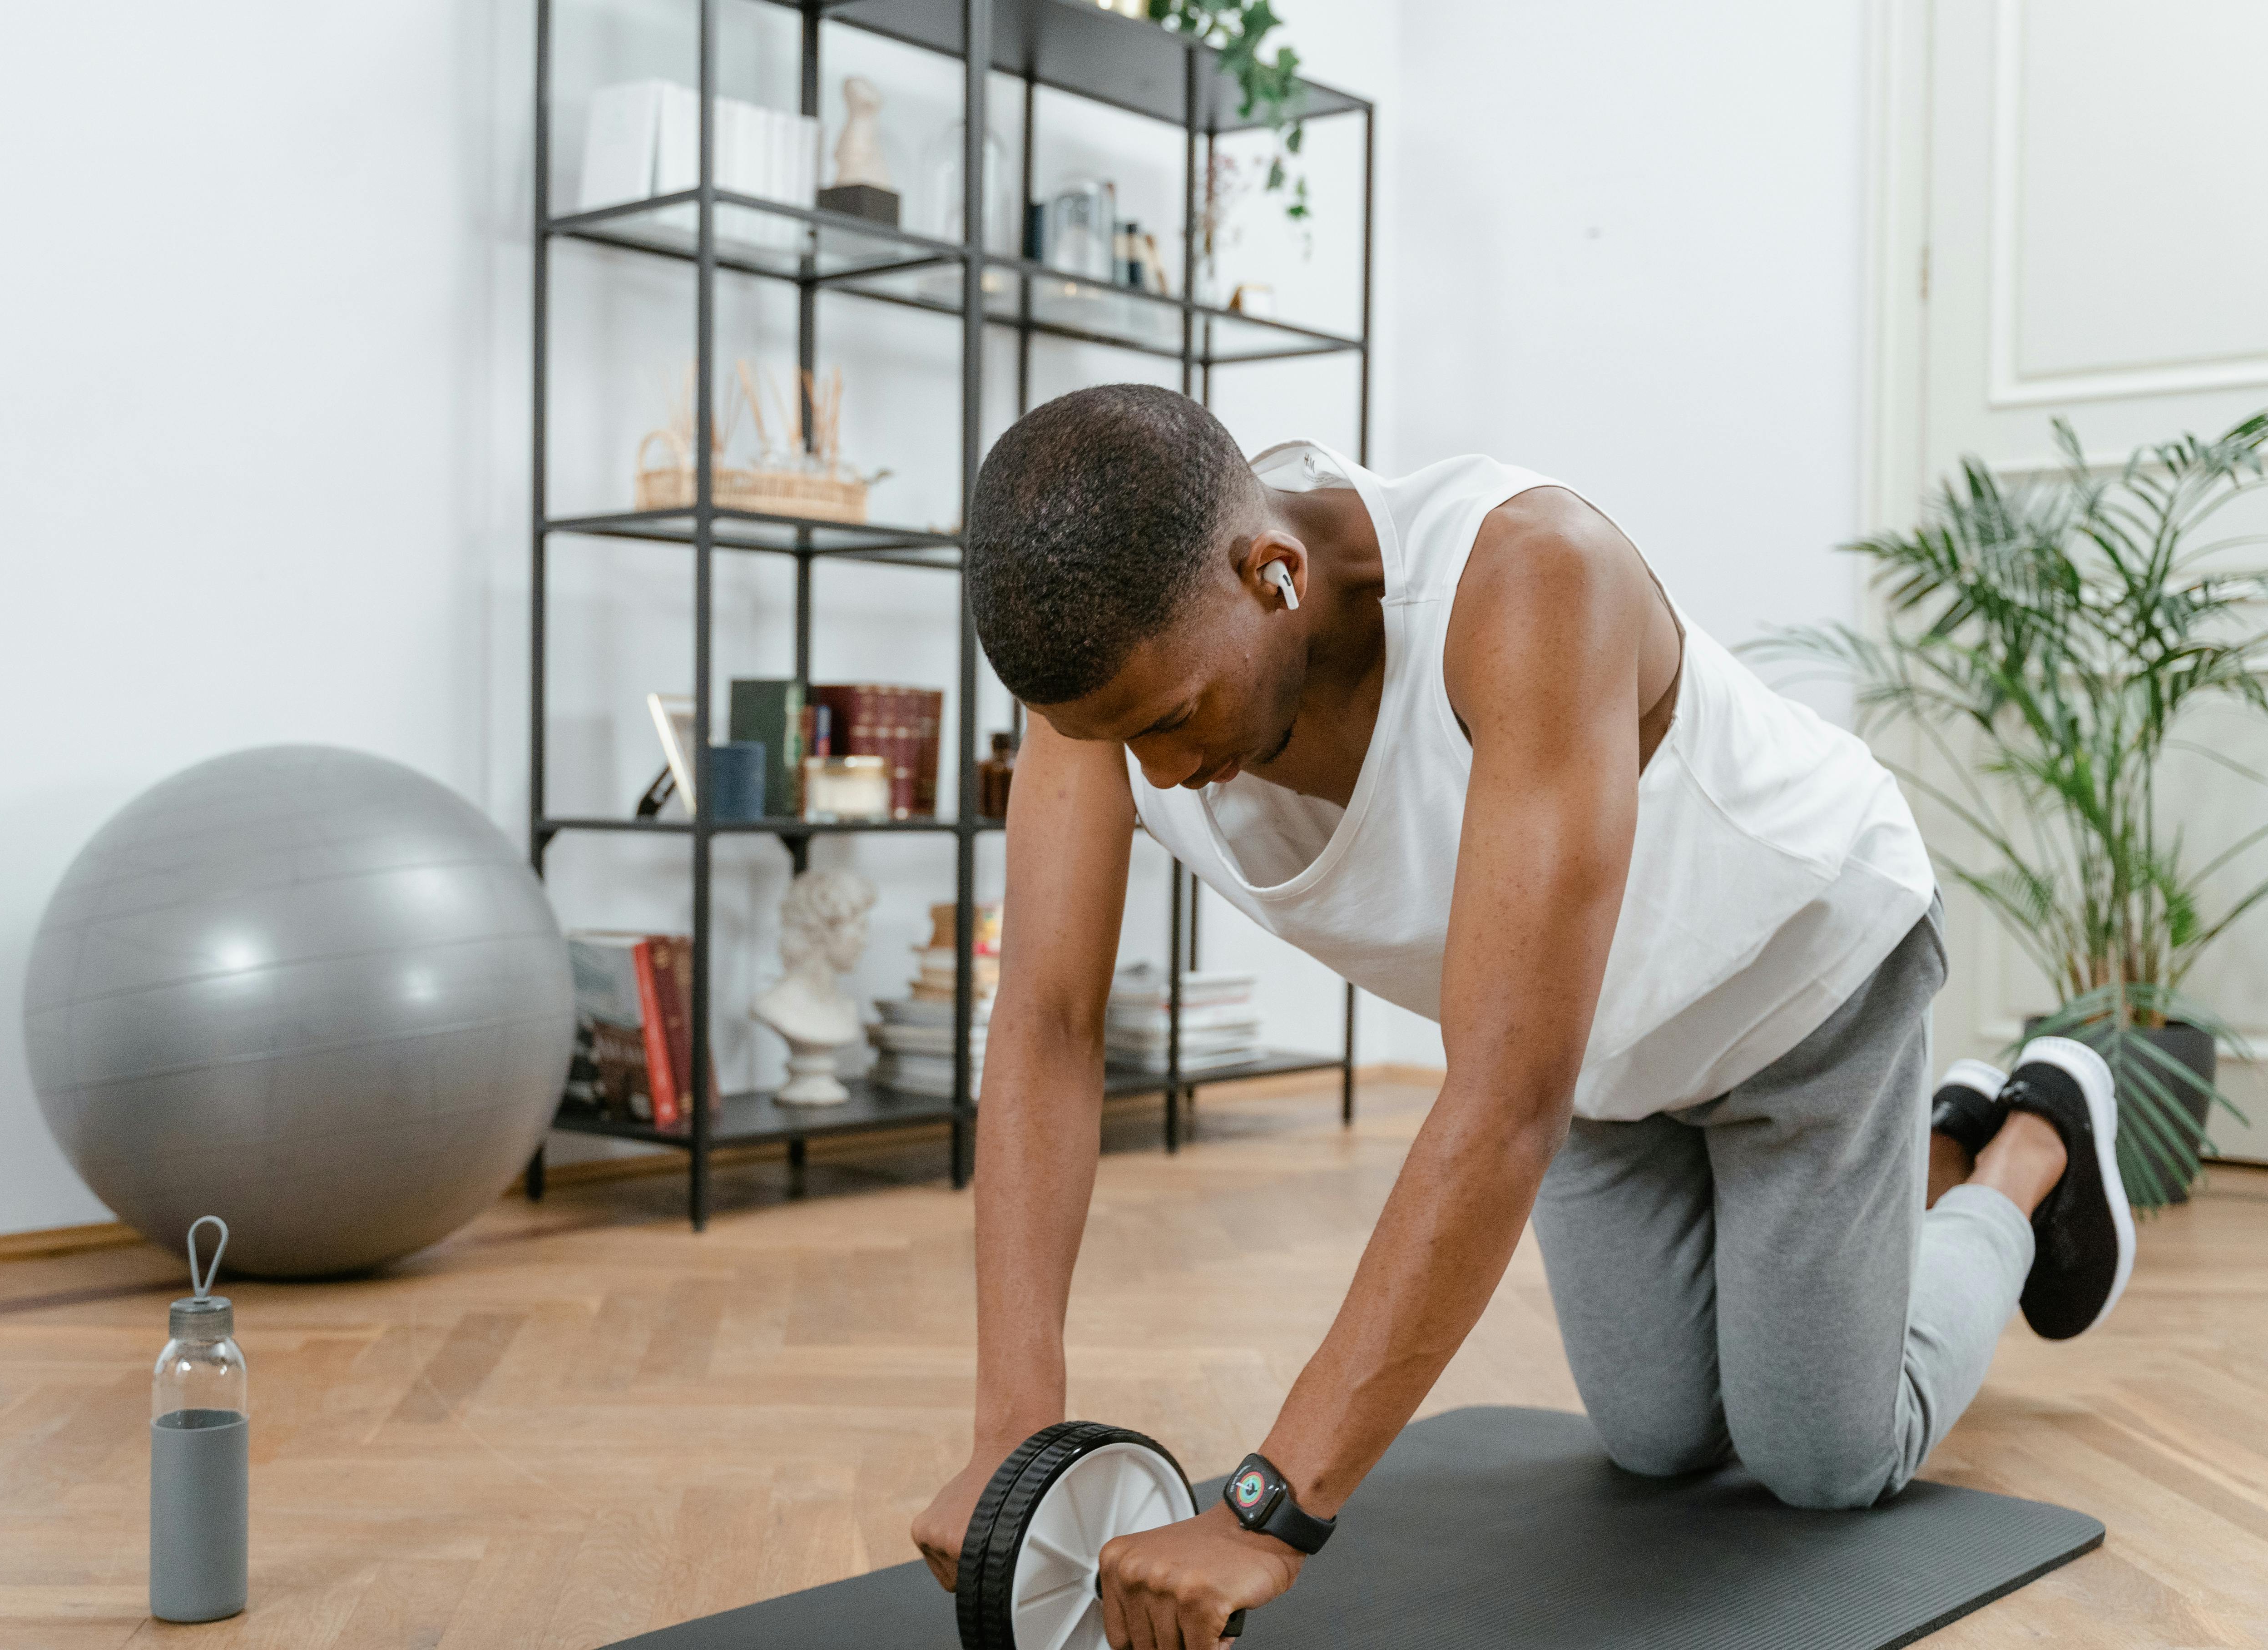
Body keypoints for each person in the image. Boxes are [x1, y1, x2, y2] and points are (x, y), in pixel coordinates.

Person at [907, 385, 2135, 1650]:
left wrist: (1265, 1507)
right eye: (1110, 740)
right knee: (1658, 1440)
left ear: (1270, 573)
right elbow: (1045, 1023)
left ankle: (2021, 1147)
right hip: (1598, 1050)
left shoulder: (1529, 582)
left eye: (1171, 723)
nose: (1159, 774)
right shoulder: (1112, 687)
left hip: (1801, 988)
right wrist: (1014, 1433)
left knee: (1821, 1460)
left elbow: (1500, 1100)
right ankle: (1905, 1176)